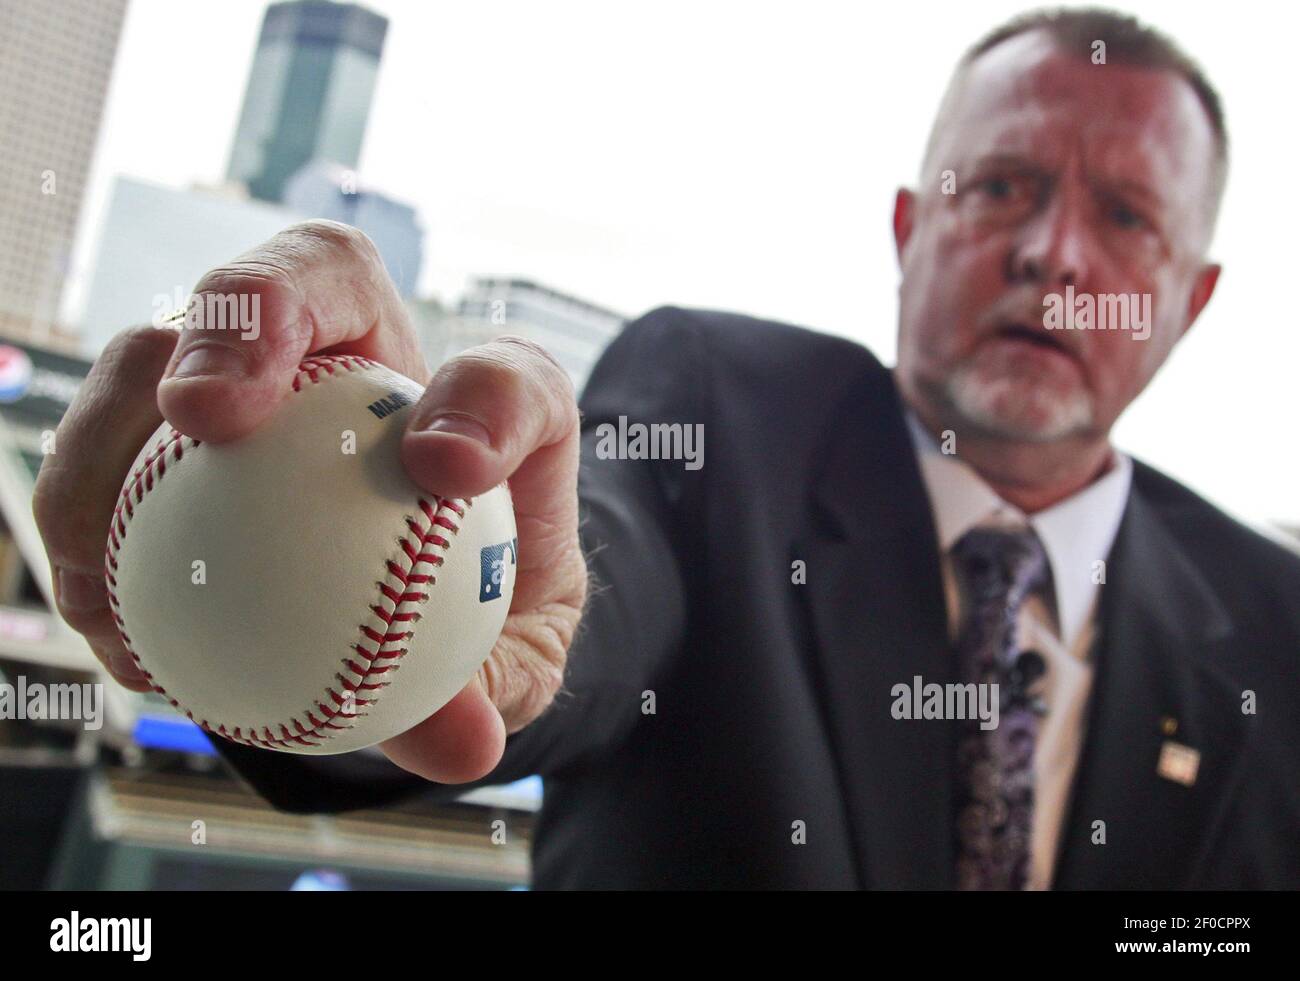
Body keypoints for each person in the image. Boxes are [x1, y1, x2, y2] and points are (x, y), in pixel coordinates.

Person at [34, 7, 1300, 889]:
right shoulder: (727, 414)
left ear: (1189, 301)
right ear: (910, 230)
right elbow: (587, 585)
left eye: (1125, 215)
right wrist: (328, 575)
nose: (1050, 255)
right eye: (1005, 186)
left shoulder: (1273, 620)